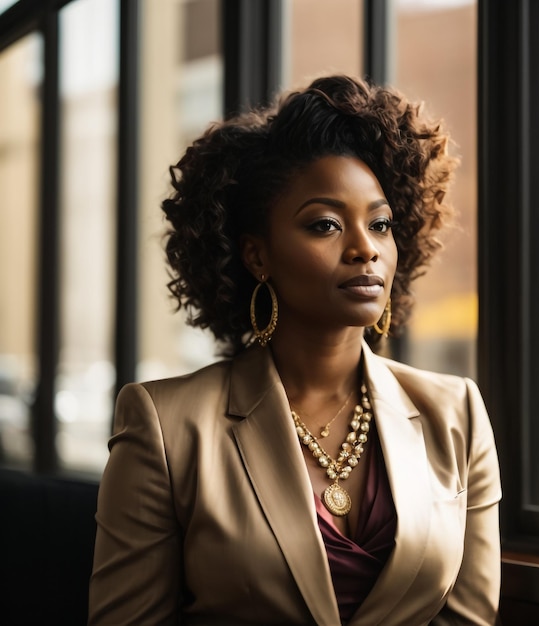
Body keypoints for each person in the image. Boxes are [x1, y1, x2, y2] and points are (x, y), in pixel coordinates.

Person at [89, 74, 501, 626]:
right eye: (325, 224)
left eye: (380, 224)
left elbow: (469, 617)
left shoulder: (457, 415)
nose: (365, 249)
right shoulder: (165, 427)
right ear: (258, 256)